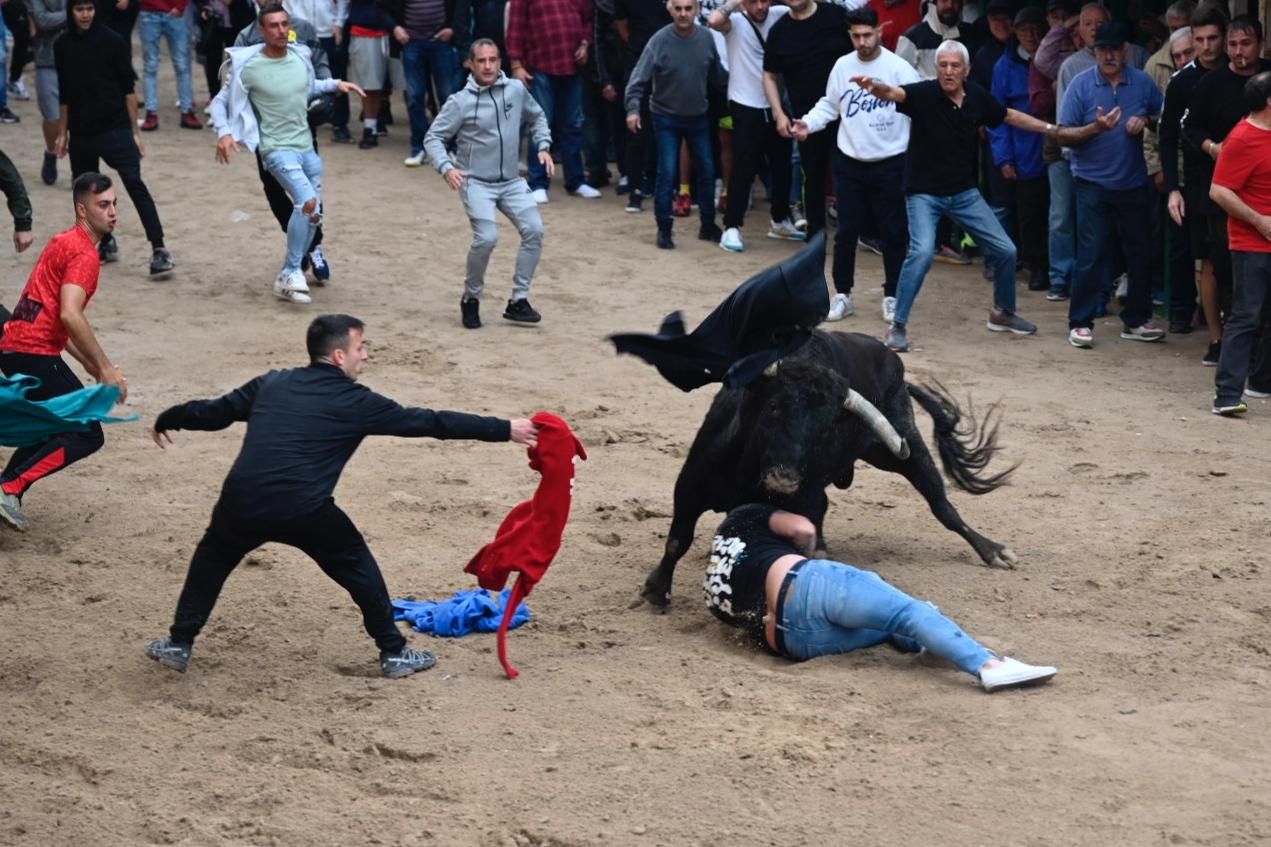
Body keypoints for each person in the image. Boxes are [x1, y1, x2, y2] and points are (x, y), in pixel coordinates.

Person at [144, 314, 541, 678]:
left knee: (210, 560)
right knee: (356, 565)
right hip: (304, 508)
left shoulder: (272, 383)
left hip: (241, 500)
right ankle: (394, 651)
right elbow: (431, 422)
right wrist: (504, 428)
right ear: (338, 355)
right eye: (360, 348)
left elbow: (214, 413)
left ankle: (179, 643)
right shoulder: (357, 402)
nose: (365, 356)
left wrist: (171, 416)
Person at [702, 504, 1058, 692]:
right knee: (906, 611)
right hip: (803, 586)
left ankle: (929, 646)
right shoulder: (746, 515)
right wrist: (804, 552)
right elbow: (803, 529)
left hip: (792, 641)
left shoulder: (714, 578)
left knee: (891, 627)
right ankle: (988, 667)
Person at [856, 40, 1056, 353]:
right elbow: (895, 93)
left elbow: (1009, 116)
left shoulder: (976, 95)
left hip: (963, 193)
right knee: (921, 253)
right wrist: (875, 87)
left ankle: (1003, 312)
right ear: (937, 69)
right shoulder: (923, 93)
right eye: (943, 65)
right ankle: (897, 327)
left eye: (955, 66)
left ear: (966, 70)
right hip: (923, 193)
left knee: (1005, 250)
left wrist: (1050, 129)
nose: (949, 72)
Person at [211, 2, 364, 303]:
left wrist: (336, 84)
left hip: (305, 145)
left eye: (285, 24)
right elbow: (220, 101)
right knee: (307, 203)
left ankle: (289, 272)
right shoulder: (248, 66)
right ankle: (292, 270)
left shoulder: (300, 55)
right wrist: (225, 132)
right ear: (261, 30)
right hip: (275, 148)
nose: (282, 31)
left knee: (314, 213)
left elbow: (308, 87)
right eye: (274, 26)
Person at [0, 173, 126, 533]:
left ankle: (9, 487)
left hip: (15, 347)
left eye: (114, 203)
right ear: (81, 210)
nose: (113, 212)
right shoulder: (84, 254)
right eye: (103, 205)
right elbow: (71, 313)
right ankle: (9, 486)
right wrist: (105, 368)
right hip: (32, 351)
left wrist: (89, 364)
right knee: (86, 432)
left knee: (51, 422)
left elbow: (54, 315)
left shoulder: (62, 241)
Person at [793, 5, 918, 323]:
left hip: (890, 160)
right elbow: (830, 104)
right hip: (850, 160)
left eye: (867, 35)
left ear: (878, 32)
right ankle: (843, 294)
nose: (862, 42)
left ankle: (892, 294)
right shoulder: (842, 66)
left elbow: (919, 105)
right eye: (856, 36)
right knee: (846, 232)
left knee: (893, 233)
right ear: (850, 36)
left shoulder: (898, 68)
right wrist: (808, 123)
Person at [424, 39, 552, 328]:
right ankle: (471, 298)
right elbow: (433, 138)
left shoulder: (516, 90)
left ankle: (518, 300)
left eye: (493, 59)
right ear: (470, 63)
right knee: (487, 238)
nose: (488, 66)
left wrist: (543, 145)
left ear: (500, 62)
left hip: (511, 181)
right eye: (481, 60)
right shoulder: (460, 101)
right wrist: (446, 168)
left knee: (534, 230)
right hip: (476, 182)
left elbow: (538, 116)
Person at [1060, 22, 1165, 349]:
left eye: (1114, 49)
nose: (1108, 55)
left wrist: (1146, 121)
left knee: (1140, 254)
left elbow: (1164, 116)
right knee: (1090, 254)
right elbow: (1063, 134)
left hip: (1133, 183)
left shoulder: (1143, 83)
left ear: (1126, 51)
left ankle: (1136, 319)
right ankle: (1080, 322)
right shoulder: (1080, 86)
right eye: (1102, 49)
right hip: (1092, 182)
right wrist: (1096, 128)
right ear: (1094, 52)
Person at [55, 0, 176, 278]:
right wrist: (63, 131)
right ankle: (104, 243)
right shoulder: (62, 45)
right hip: (82, 130)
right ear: (71, 12)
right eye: (79, 9)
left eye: (89, 9)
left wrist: (135, 132)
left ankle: (159, 248)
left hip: (115, 126)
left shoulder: (113, 41)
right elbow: (65, 93)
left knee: (134, 182)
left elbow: (128, 90)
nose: (85, 15)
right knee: (85, 192)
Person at [1182, 15, 1271, 366]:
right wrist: (1212, 148)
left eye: (1245, 44)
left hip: (1265, 191)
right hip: (1223, 190)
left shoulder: (1268, 80)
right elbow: (1188, 127)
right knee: (1225, 268)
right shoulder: (1211, 82)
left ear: (1260, 44)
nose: (1238, 52)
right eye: (1232, 44)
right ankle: (1225, 345)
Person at [234, 0, 335, 284]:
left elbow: (320, 66)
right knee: (274, 189)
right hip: (267, 131)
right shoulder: (246, 36)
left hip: (301, 124)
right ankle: (303, 247)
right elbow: (234, 83)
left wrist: (323, 97)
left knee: (310, 189)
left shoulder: (303, 29)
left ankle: (314, 246)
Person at [624, 0, 726, 250]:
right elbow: (637, 79)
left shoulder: (706, 38)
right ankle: (664, 228)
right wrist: (633, 110)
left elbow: (719, 77)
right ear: (669, 9)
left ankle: (707, 224)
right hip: (665, 116)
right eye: (678, 8)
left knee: (707, 170)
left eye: (688, 8)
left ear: (698, 10)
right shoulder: (658, 40)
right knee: (667, 171)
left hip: (698, 115)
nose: (683, 14)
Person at [707, 0, 800, 254]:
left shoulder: (780, 13)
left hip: (776, 105)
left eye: (765, 0)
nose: (760, 7)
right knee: (744, 167)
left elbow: (806, 9)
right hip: (745, 103)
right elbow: (713, 21)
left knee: (782, 165)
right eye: (754, 1)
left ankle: (780, 219)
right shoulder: (734, 22)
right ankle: (732, 226)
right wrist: (736, 2)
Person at [1162, 5, 1227, 354]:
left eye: (1212, 38)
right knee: (1207, 258)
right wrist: (1172, 187)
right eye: (1199, 39)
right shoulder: (1182, 81)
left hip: (1247, 180)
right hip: (1198, 180)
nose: (1206, 46)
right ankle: (1215, 337)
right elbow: (1168, 136)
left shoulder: (1250, 76)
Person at [761, 0, 851, 240]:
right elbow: (769, 75)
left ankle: (859, 231)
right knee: (812, 175)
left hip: (848, 112)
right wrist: (779, 113)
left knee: (851, 174)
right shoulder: (780, 31)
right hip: (806, 118)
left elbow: (862, 49)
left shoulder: (836, 16)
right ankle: (816, 236)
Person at [1209, 73, 1271, 416]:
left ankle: (1262, 382)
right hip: (1251, 243)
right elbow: (1219, 190)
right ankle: (1227, 395)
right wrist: (1259, 221)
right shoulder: (1242, 138)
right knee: (1246, 316)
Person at [506, 0, 601, 202]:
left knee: (573, 126)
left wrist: (585, 44)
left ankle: (576, 181)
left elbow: (586, 19)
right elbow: (515, 26)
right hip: (540, 66)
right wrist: (516, 65)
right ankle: (538, 183)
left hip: (572, 66)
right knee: (541, 126)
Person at [990, 6, 1049, 292]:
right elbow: (996, 118)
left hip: (1056, 147)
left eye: (1036, 28)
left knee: (1058, 214)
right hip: (1024, 153)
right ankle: (1036, 266)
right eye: (1024, 29)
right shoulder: (1004, 66)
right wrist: (1004, 157)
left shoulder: (1055, 60)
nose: (1031, 35)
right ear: (1015, 31)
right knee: (1030, 215)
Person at [137, 0, 203, 130]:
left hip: (169, 12)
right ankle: (153, 111)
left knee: (180, 64)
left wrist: (180, 6)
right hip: (150, 11)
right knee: (154, 65)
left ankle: (185, 110)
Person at [29, 0, 67, 186]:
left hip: (78, 57)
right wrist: (71, 12)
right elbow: (42, 20)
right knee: (52, 116)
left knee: (79, 115)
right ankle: (51, 152)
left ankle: (79, 164)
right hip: (46, 58)